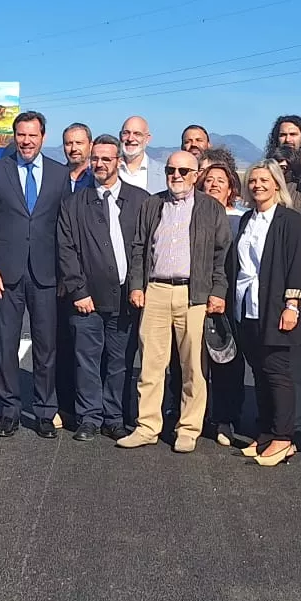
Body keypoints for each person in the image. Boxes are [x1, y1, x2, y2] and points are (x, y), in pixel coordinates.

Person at [120, 150, 231, 453]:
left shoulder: (211, 209)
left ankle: (188, 429)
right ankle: (147, 427)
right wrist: (137, 285)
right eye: (171, 170)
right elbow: (139, 246)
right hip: (155, 290)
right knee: (151, 365)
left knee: (193, 366)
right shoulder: (152, 204)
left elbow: (221, 254)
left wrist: (217, 291)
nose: (177, 176)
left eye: (184, 171)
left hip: (192, 294)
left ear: (196, 175)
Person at [0, 110, 69, 440]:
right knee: (5, 344)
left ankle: (45, 411)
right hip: (6, 273)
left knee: (46, 346)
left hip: (46, 274)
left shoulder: (60, 175)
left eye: (32, 135)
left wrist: (65, 274)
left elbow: (65, 228)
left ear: (43, 137)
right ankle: (10, 410)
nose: (26, 141)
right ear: (14, 137)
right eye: (21, 135)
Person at [57, 134, 144, 442]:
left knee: (119, 363)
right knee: (87, 361)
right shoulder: (73, 203)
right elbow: (66, 250)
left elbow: (144, 249)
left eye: (107, 159)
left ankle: (114, 417)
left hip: (126, 299)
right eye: (96, 158)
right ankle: (89, 417)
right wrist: (78, 291)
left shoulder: (140, 200)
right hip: (86, 300)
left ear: (118, 162)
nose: (100, 164)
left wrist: (138, 286)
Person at [230, 161, 301, 467]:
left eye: (264, 180)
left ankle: (283, 436)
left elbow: (294, 265)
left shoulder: (289, 220)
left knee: (278, 372)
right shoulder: (248, 218)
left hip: (275, 305)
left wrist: (292, 306)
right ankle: (265, 432)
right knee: (260, 371)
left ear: (277, 184)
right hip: (247, 304)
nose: (258, 185)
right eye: (253, 180)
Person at [199, 161, 249, 447]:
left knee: (227, 357)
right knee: (191, 360)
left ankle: (225, 417)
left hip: (229, 297)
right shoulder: (192, 213)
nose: (214, 184)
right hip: (194, 295)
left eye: (221, 180)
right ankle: (192, 413)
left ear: (231, 188)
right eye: (209, 180)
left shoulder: (240, 218)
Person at [119, 116, 163, 193]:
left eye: (137, 134)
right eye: (126, 133)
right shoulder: (110, 168)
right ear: (120, 136)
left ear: (147, 139)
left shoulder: (163, 173)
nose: (130, 139)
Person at [61, 124, 94, 191]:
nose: (73, 149)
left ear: (91, 146)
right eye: (69, 144)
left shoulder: (97, 178)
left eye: (79, 143)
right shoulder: (56, 178)